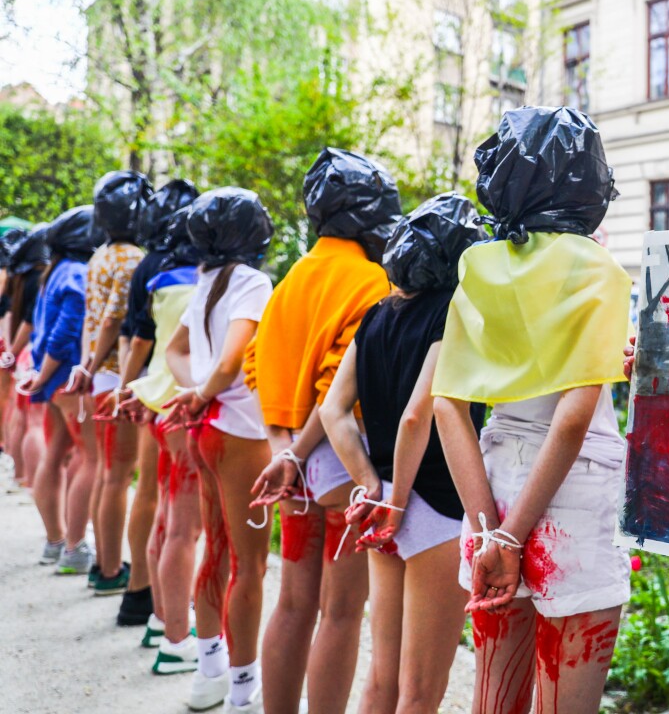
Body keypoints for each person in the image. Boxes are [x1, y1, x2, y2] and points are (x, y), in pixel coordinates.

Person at [433, 107, 632, 714]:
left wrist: (491, 529)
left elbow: (447, 405)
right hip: (573, 491)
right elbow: (573, 418)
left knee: (493, 701)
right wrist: (516, 537)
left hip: (491, 489)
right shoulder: (597, 268)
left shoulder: (480, 267)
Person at [245, 147, 399, 714]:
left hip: (290, 460)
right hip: (340, 464)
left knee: (291, 603)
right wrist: (297, 454)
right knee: (340, 611)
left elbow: (257, 366)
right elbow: (340, 390)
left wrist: (282, 450)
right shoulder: (372, 280)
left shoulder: (288, 281)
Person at [320, 192, 486, 714]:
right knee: (420, 694)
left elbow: (333, 412)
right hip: (433, 507)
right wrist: (398, 503)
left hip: (387, 499)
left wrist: (373, 485)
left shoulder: (375, 316)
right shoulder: (455, 311)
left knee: (381, 681)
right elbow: (421, 413)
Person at [163, 187, 274, 714]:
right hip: (241, 434)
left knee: (217, 549)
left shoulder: (205, 281)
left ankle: (208, 672)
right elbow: (233, 362)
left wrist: (194, 393)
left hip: (207, 431)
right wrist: (205, 390)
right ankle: (242, 691)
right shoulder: (252, 282)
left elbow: (175, 351)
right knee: (249, 567)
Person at [106, 179, 200, 630]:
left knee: (150, 496)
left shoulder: (150, 266)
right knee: (181, 518)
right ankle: (174, 615)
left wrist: (127, 388)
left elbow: (135, 337)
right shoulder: (211, 268)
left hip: (153, 395)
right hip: (190, 401)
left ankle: (138, 596)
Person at [64, 170, 152, 598]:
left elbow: (91, 318)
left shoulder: (98, 256)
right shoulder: (132, 257)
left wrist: (85, 366)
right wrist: (95, 365)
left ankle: (104, 560)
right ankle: (111, 566)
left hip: (100, 373)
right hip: (119, 374)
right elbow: (115, 319)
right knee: (118, 475)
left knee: (104, 472)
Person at [20, 206, 102, 574]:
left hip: (53, 378)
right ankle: (74, 548)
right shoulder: (77, 273)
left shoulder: (55, 272)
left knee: (58, 454)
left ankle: (56, 541)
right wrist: (46, 373)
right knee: (90, 458)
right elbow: (66, 330)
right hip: (68, 377)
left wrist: (41, 373)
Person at [1, 227, 49, 490]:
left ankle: (19, 471)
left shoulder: (19, 278)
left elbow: (12, 316)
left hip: (21, 353)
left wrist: (11, 350)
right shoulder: (40, 278)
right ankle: (31, 479)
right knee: (36, 422)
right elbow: (30, 323)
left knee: (17, 411)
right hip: (33, 352)